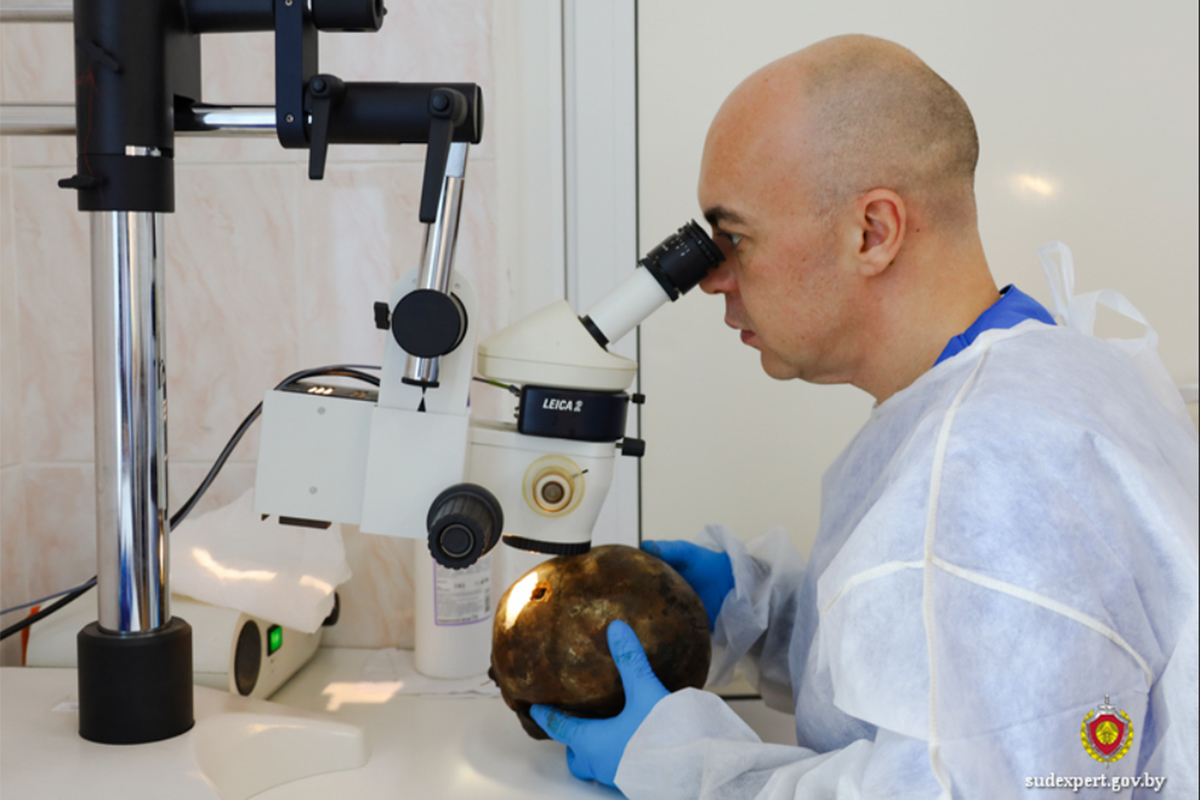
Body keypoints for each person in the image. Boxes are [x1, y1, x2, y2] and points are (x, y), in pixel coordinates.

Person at [530, 34, 1199, 799]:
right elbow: (955, 658)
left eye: (735, 237)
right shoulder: (1032, 376)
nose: (712, 279)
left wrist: (681, 765)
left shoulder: (985, 467)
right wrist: (766, 612)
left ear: (872, 233)